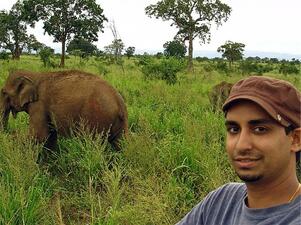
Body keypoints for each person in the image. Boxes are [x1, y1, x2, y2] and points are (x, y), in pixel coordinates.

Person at [176, 76, 301, 225]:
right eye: (234, 129)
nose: (241, 145)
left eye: (260, 129)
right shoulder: (221, 201)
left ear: (296, 139)